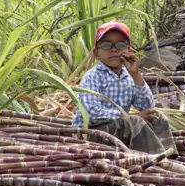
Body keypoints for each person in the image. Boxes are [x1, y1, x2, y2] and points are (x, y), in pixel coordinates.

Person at [72, 21, 177, 156]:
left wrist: (135, 74)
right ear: (96, 53)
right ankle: (156, 160)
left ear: (129, 50)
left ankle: (169, 156)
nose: (114, 49)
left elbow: (147, 106)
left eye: (120, 45)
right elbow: (91, 113)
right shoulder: (92, 76)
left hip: (118, 130)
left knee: (156, 116)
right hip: (90, 134)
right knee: (135, 121)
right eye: (106, 45)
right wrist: (128, 117)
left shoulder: (129, 76)